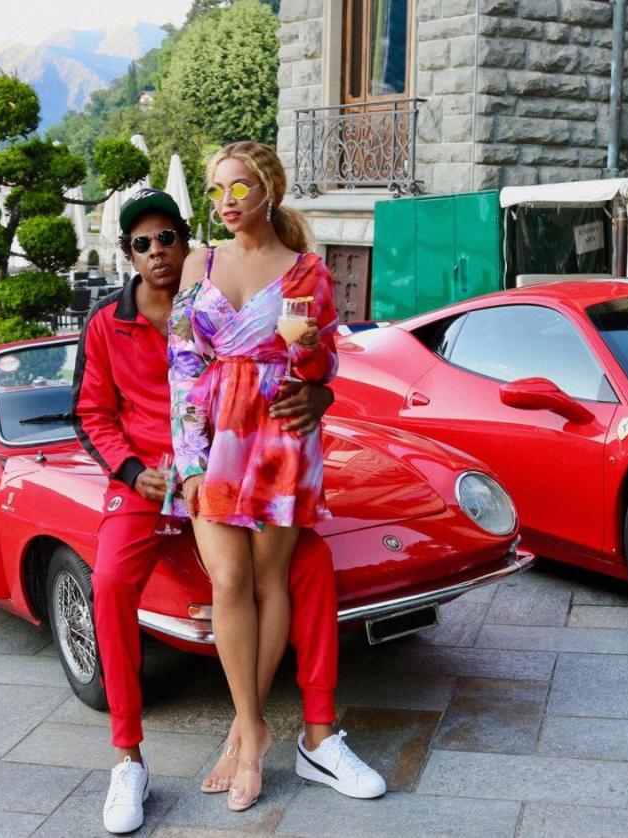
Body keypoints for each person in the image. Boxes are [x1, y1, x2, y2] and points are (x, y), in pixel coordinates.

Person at [72, 187, 381, 833]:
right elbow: (93, 415)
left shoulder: (213, 295)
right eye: (141, 244)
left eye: (166, 238)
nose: (156, 251)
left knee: (312, 565)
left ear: (187, 242)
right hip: (154, 478)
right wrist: (134, 471)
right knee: (107, 584)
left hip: (233, 464)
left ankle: (315, 736)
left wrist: (320, 392)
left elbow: (298, 355)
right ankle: (128, 759)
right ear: (128, 255)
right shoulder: (107, 323)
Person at [168, 142, 385, 812]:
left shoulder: (305, 273)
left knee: (267, 582)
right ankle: (254, 725)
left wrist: (314, 365)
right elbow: (181, 362)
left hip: (279, 443)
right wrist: (189, 459)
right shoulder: (198, 263)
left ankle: (244, 736)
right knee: (227, 580)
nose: (226, 203)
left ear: (270, 191)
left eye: (239, 188)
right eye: (215, 191)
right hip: (211, 441)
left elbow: (319, 370)